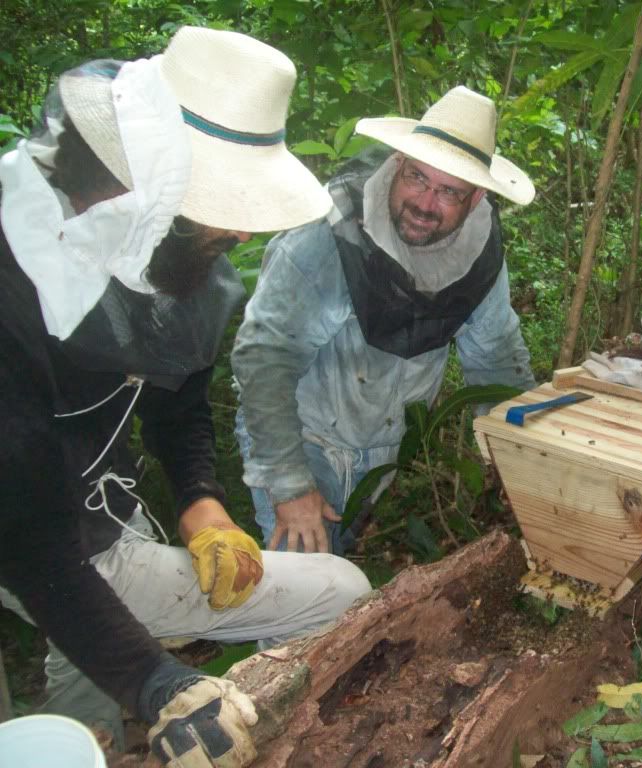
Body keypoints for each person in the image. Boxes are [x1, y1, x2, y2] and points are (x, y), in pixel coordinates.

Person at [0, 26, 371, 768]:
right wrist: (160, 681)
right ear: (141, 186)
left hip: (94, 529)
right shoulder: (18, 274)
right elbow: (28, 537)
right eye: (216, 200)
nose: (236, 225)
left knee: (339, 590)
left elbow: (176, 402)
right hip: (29, 535)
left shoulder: (165, 257)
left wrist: (201, 502)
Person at [232, 85, 537, 555]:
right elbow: (264, 358)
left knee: (339, 603)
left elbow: (496, 359)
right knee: (303, 597)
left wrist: (526, 462)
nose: (425, 203)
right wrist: (291, 484)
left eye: (449, 192)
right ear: (397, 164)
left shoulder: (479, 254)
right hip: (302, 437)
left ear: (476, 200)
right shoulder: (327, 235)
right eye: (417, 177)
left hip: (383, 455)